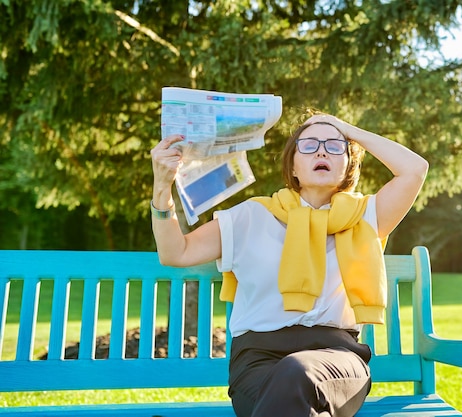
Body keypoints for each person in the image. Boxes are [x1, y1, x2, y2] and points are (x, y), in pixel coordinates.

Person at [150, 113, 428, 417]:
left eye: (335, 146)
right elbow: (176, 252)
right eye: (309, 145)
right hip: (258, 360)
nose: (322, 151)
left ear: (349, 164)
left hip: (336, 359)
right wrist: (162, 189)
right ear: (292, 164)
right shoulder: (251, 216)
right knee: (292, 398)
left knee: (297, 373)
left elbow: (414, 169)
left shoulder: (366, 216)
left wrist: (347, 129)